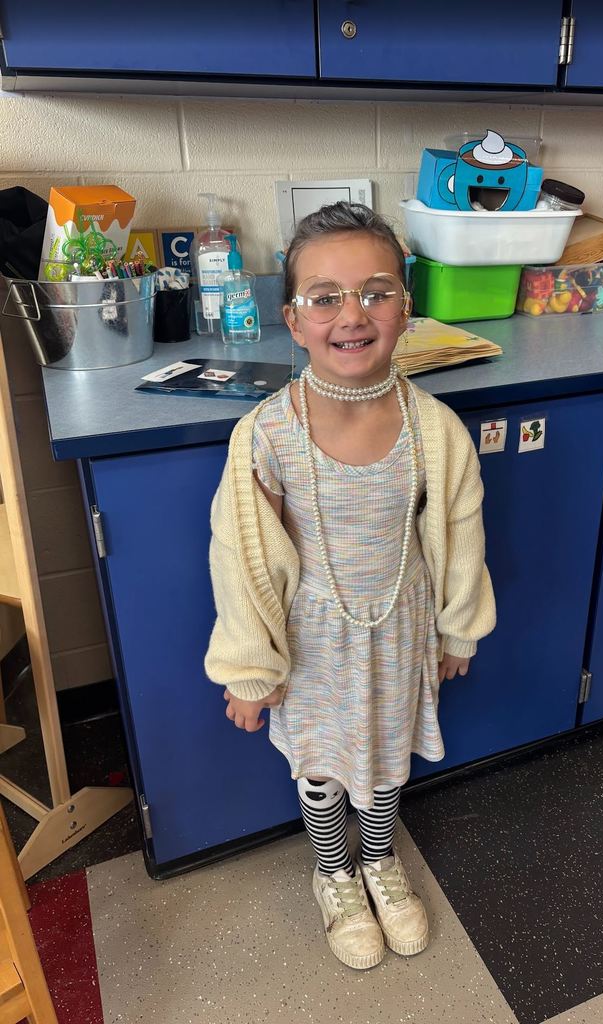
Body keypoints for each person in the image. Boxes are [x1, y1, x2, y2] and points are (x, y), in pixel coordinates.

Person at [205, 202, 496, 971]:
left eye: (375, 291)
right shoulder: (266, 434)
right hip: (310, 642)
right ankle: (333, 872)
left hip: (398, 629)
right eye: (324, 297)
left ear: (407, 308)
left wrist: (457, 628)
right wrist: (247, 668)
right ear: (293, 320)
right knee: (324, 761)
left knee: (384, 752)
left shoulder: (434, 427)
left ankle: (379, 861)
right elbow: (239, 558)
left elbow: (462, 533)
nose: (351, 315)